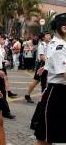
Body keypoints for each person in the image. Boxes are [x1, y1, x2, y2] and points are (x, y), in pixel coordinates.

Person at [34, 13, 66, 145]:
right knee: (46, 138)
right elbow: (64, 73)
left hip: (58, 92)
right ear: (63, 28)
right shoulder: (60, 46)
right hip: (57, 94)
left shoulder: (57, 44)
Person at [0, 31, 15, 119]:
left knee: (2, 92)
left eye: (0, 37)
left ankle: (5, 111)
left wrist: (5, 62)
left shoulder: (0, 47)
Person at [25, 32, 51, 103]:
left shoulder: (50, 44)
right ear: (43, 38)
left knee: (37, 81)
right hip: (42, 65)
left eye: (49, 35)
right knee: (41, 82)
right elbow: (42, 57)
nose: (49, 36)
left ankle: (27, 95)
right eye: (47, 35)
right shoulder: (42, 45)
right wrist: (50, 63)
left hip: (47, 64)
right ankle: (43, 100)